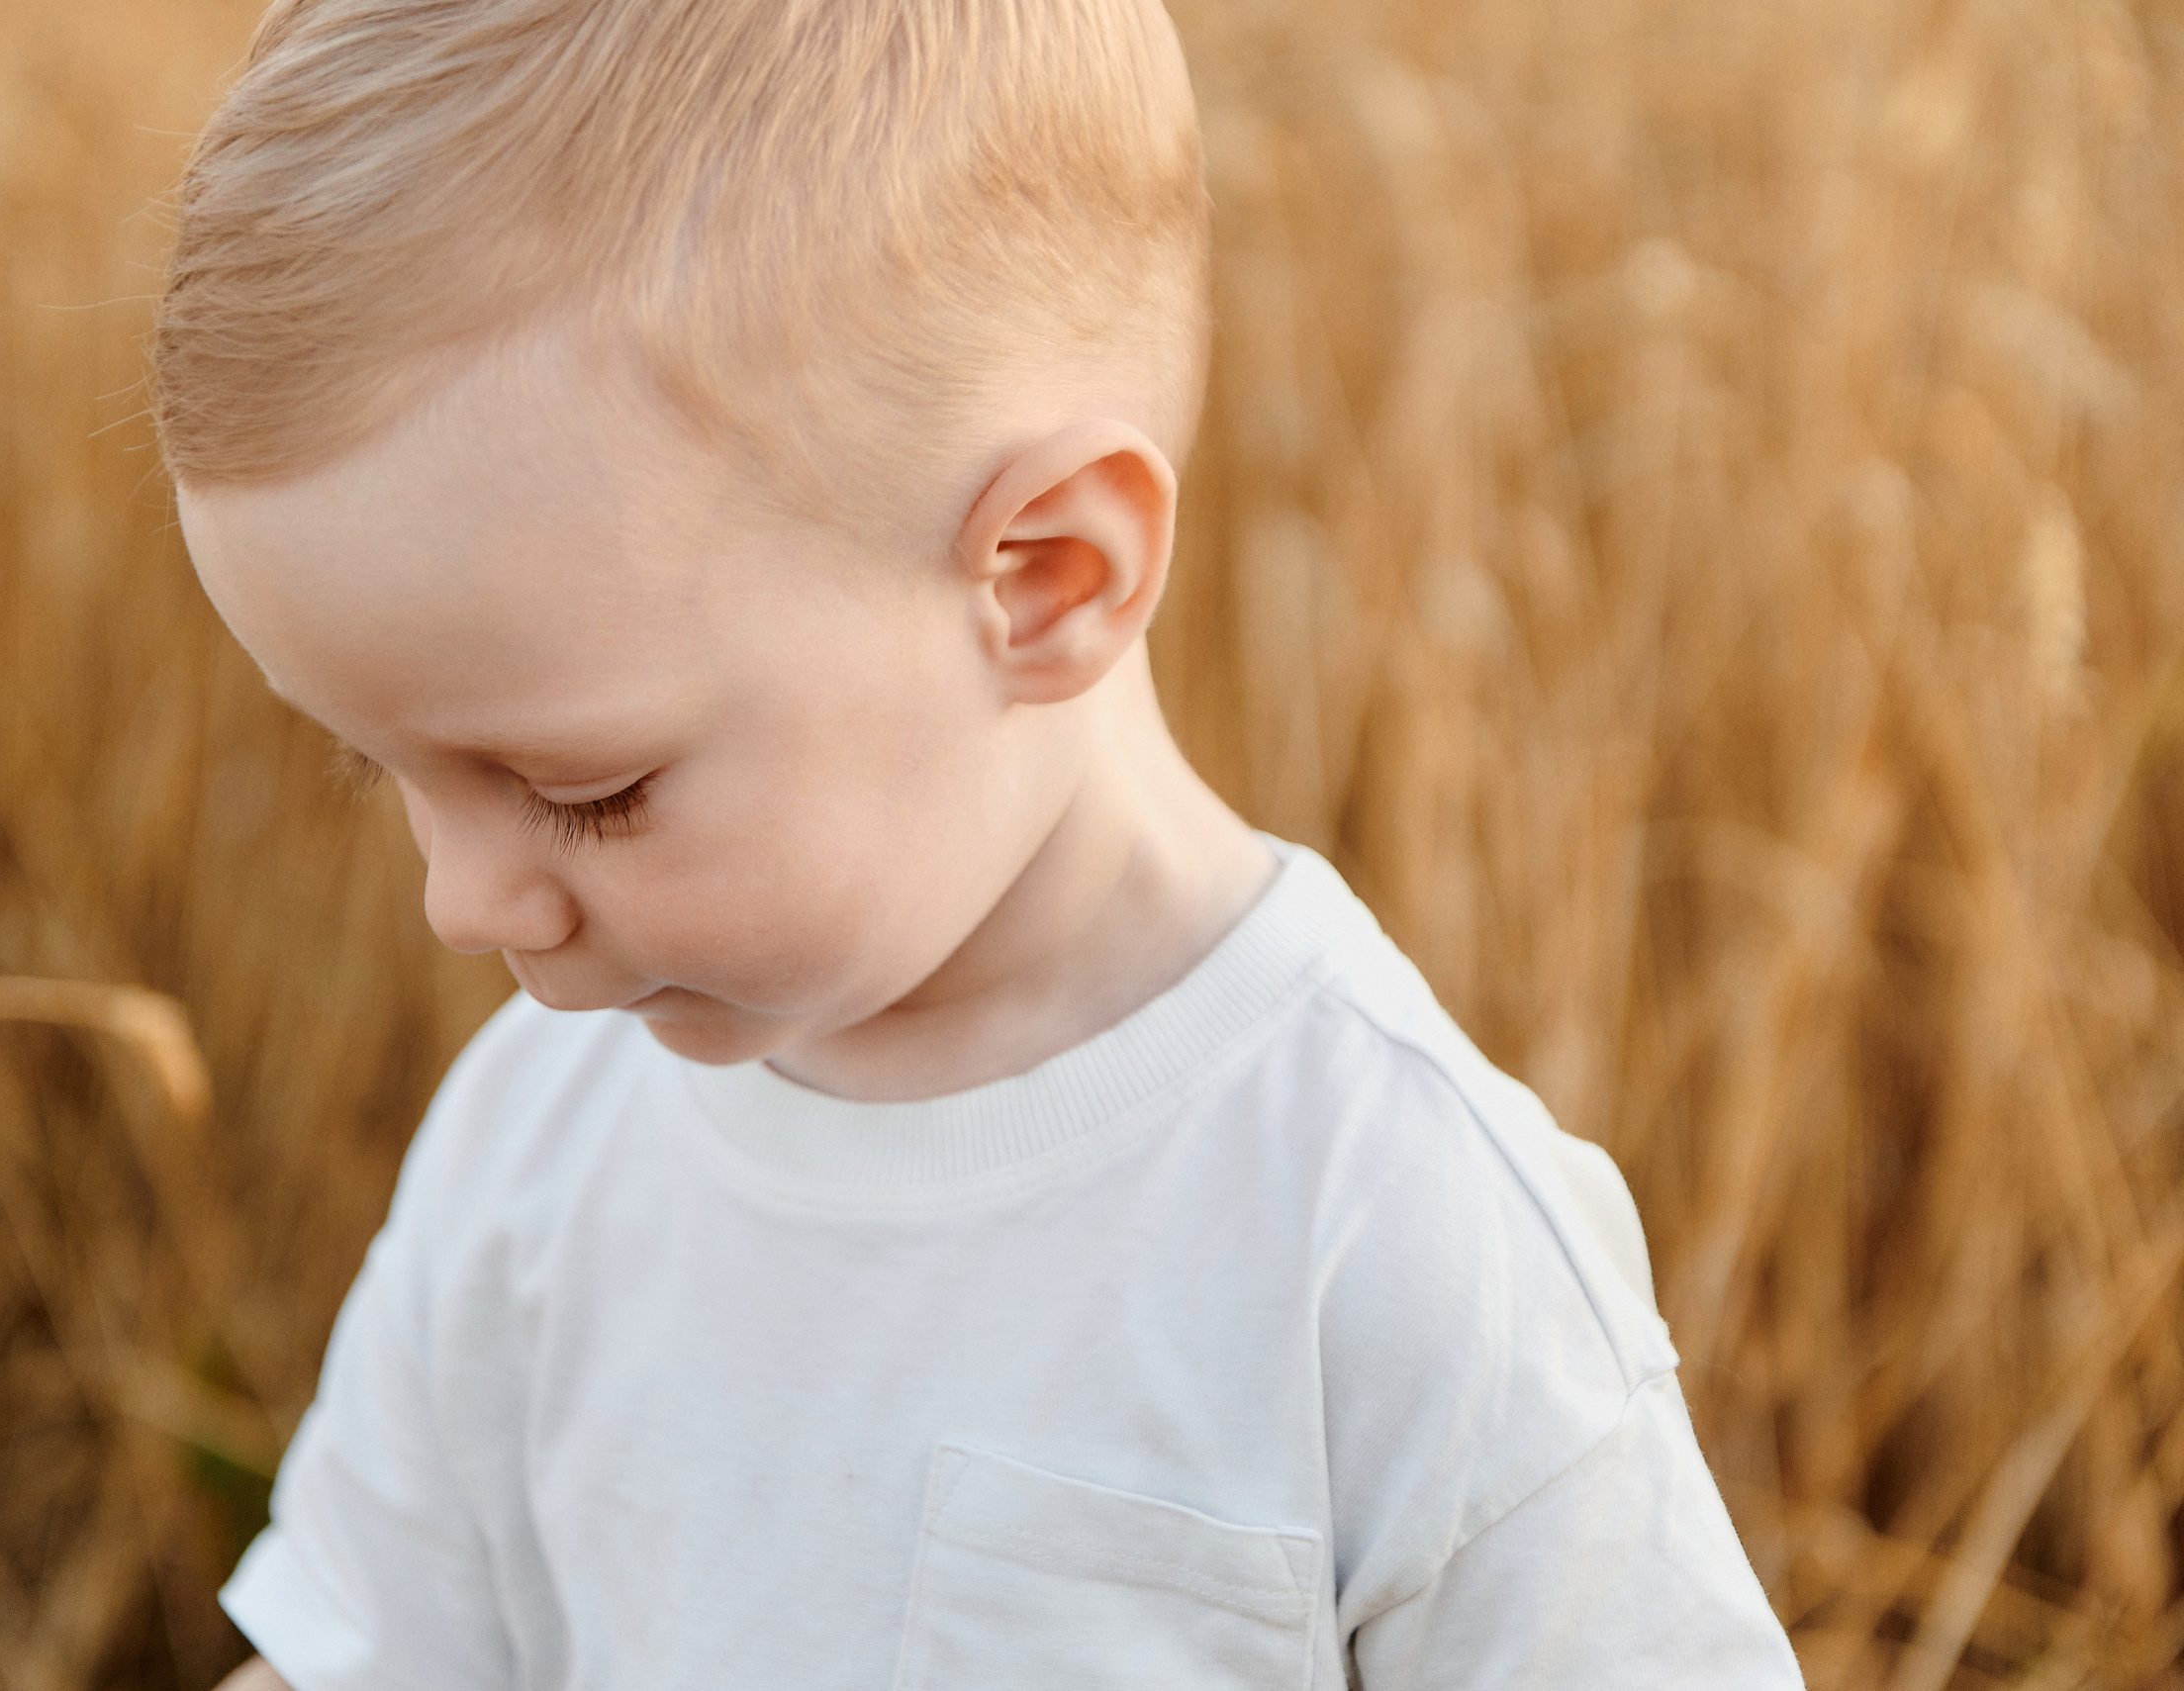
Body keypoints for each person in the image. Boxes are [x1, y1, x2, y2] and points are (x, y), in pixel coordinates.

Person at [153, 0, 1807, 1685]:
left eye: (587, 788)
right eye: (383, 771)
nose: (461, 900)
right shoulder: (541, 1145)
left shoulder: (1380, 1228)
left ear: (1046, 579)